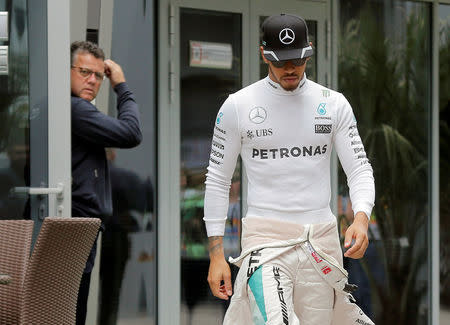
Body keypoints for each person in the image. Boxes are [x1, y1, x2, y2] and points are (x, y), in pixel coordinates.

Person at [204, 14, 376, 325]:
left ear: (309, 51)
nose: (290, 68)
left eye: (298, 59)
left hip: (320, 243)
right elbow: (217, 180)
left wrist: (361, 218)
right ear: (263, 54)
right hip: (264, 242)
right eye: (280, 61)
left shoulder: (333, 104)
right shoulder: (237, 106)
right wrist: (216, 254)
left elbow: (360, 169)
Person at [70, 41, 142, 325]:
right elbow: (131, 132)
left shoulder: (67, 110)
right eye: (85, 71)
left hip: (79, 225)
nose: (92, 80)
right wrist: (120, 85)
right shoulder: (76, 110)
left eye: (99, 75)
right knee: (72, 310)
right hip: (73, 225)